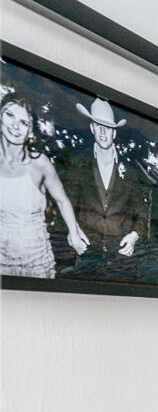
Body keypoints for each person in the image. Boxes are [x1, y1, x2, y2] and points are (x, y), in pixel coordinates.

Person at [0, 92, 87, 278]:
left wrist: (74, 233)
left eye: (23, 122)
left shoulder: (39, 164)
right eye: (10, 115)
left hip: (35, 261)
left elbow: (62, 200)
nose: (15, 126)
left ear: (30, 130)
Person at [64, 97, 152, 280]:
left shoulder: (131, 172)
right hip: (85, 257)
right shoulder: (78, 163)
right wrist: (72, 231)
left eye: (108, 128)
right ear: (92, 129)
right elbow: (67, 204)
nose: (103, 133)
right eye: (98, 126)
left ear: (115, 133)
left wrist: (135, 236)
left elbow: (142, 213)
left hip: (122, 263)